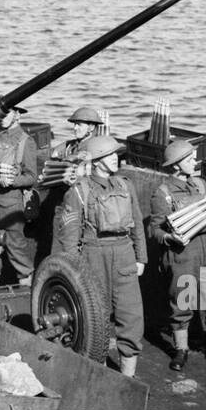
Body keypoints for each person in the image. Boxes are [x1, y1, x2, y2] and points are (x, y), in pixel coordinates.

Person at [55, 135, 146, 378]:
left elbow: (137, 223)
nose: (116, 158)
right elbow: (70, 238)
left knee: (132, 317)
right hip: (93, 257)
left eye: (116, 154)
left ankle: (128, 379)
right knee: (97, 317)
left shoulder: (126, 186)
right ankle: (102, 375)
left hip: (125, 255)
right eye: (110, 155)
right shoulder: (78, 191)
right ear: (96, 161)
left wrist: (141, 258)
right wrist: (74, 272)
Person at [149, 138, 206, 373]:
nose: (195, 161)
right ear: (176, 165)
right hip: (182, 253)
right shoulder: (162, 193)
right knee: (182, 301)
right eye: (189, 159)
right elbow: (155, 229)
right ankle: (181, 350)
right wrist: (169, 238)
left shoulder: (201, 185)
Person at [0, 105, 39, 287]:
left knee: (16, 246)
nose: (2, 116)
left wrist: (12, 181)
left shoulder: (25, 141)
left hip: (10, 203)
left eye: (8, 112)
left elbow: (31, 177)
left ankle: (27, 286)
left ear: (17, 115)